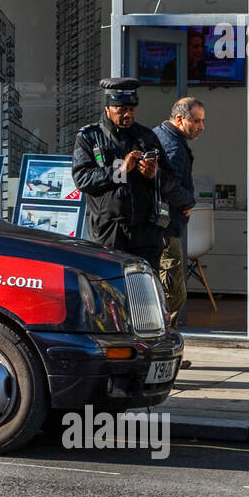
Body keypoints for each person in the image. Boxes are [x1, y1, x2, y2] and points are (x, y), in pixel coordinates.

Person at [71, 77, 177, 271]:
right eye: (122, 110)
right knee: (110, 288)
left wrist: (154, 175)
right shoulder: (90, 137)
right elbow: (82, 179)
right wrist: (120, 170)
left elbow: (171, 181)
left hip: (145, 232)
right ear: (108, 109)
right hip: (109, 231)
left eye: (132, 110)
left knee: (143, 288)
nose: (128, 115)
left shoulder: (146, 136)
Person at [153, 97, 205, 319]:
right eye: (196, 121)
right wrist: (187, 203)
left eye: (202, 121)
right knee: (174, 294)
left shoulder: (158, 135)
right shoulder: (173, 146)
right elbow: (167, 186)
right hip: (166, 227)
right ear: (179, 119)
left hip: (161, 225)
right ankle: (160, 341)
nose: (201, 127)